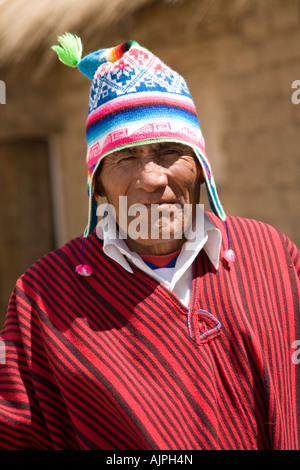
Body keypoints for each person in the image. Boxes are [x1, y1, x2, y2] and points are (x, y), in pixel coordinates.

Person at [0, 33, 299, 451]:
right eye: (125, 158)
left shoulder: (271, 256)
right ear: (97, 185)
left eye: (169, 151)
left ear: (200, 168)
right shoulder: (45, 298)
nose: (153, 179)